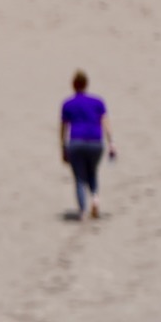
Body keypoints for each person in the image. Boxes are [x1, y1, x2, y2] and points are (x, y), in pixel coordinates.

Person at [60, 70, 114, 220]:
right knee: (92, 171)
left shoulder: (67, 104)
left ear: (73, 85)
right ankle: (95, 198)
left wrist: (63, 147)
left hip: (76, 142)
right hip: (96, 142)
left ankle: (82, 210)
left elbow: (63, 128)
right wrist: (112, 143)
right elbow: (105, 123)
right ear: (86, 84)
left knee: (79, 177)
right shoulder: (98, 102)